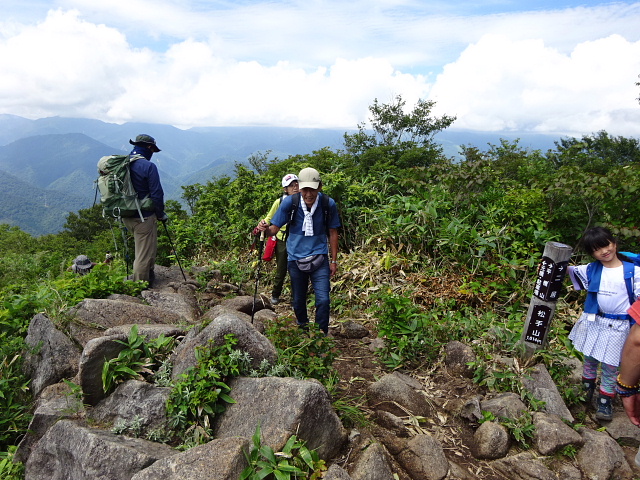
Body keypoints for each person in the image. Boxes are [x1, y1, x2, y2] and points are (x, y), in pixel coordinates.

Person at [567, 226, 640, 421]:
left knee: (610, 365)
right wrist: (548, 266)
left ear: (614, 243)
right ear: (592, 253)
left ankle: (605, 400)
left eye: (606, 245)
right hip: (595, 321)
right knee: (590, 358)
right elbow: (566, 269)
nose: (604, 251)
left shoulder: (633, 271)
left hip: (620, 327)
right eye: (597, 249)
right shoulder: (591, 269)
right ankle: (586, 391)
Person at [256, 167, 340, 334]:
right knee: (298, 300)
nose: (308, 194)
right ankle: (303, 328)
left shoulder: (327, 204)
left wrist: (334, 260)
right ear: (300, 187)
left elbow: (333, 232)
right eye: (305, 189)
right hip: (295, 259)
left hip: (320, 258)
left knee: (323, 300)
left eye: (312, 189)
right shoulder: (290, 203)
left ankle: (321, 335)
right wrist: (264, 229)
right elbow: (274, 229)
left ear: (320, 187)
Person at [121, 134, 167, 287]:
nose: (153, 153)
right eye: (152, 150)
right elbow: (157, 194)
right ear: (148, 147)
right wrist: (160, 214)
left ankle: (149, 275)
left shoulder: (123, 163)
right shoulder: (148, 166)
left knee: (147, 248)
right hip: (143, 217)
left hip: (126, 215)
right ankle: (140, 287)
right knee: (142, 255)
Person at [262, 174, 299, 305]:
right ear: (285, 189)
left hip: (297, 240)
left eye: (296, 184)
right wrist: (262, 226)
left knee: (297, 269)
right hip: (282, 239)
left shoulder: (304, 200)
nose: (295, 187)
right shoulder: (280, 202)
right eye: (291, 185)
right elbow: (269, 217)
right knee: (282, 268)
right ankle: (275, 294)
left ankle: (297, 298)